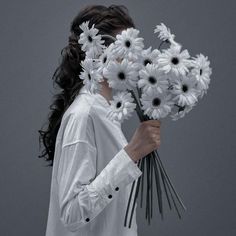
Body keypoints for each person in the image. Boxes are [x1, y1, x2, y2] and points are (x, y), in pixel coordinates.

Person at [38, 4, 161, 236]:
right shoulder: (84, 114)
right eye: (126, 46)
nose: (134, 56)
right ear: (97, 51)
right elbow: (72, 213)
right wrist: (131, 153)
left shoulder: (103, 111)